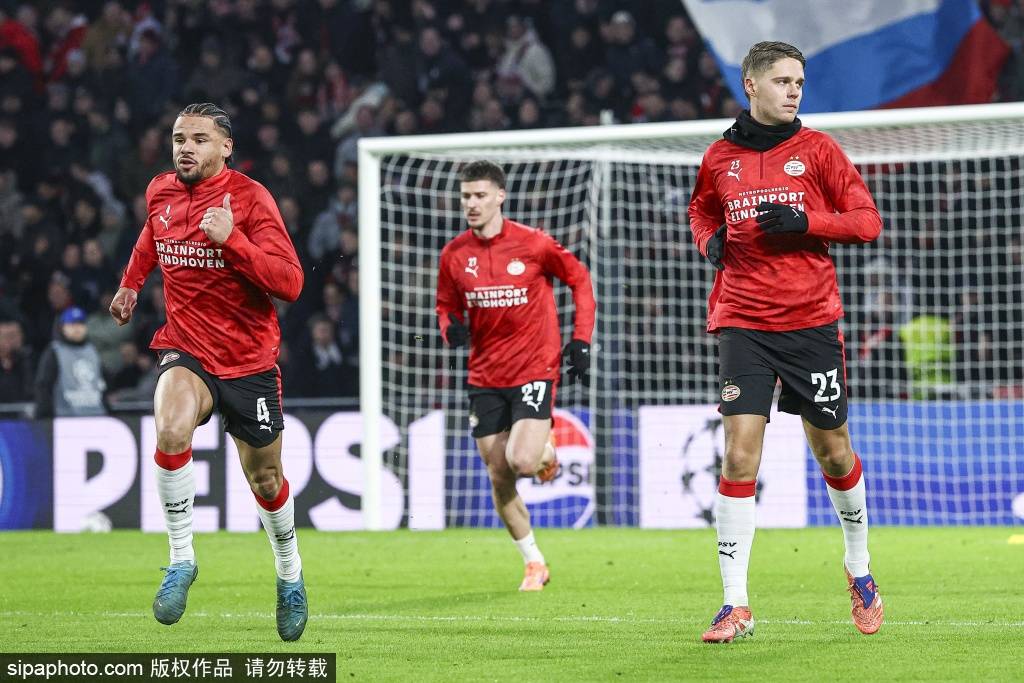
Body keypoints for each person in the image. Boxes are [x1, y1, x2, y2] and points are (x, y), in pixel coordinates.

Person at [688, 42, 884, 642]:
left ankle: (859, 570)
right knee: (738, 456)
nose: (794, 90)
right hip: (743, 321)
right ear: (751, 85)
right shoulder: (719, 157)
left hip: (810, 324)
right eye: (782, 81)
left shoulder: (819, 150)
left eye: (799, 81)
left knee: (834, 453)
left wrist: (808, 222)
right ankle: (735, 604)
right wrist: (709, 240)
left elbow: (867, 221)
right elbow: (701, 210)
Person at [109, 103, 307, 641]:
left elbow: (290, 283)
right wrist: (131, 283)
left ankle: (289, 573)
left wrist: (233, 241)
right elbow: (151, 236)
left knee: (265, 479)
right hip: (187, 346)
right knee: (170, 428)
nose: (185, 148)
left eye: (199, 139)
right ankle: (181, 559)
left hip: (249, 361)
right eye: (179, 138)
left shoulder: (251, 199)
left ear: (226, 147)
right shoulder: (160, 190)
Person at [436, 160, 595, 592]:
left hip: (534, 368)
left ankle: (546, 451)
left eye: (480, 195)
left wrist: (581, 340)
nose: (472, 203)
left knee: (521, 461)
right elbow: (446, 305)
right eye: (466, 196)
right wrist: (451, 328)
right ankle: (534, 562)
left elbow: (580, 279)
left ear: (500, 196)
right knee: (499, 474)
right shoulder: (454, 255)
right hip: (484, 375)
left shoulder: (534, 244)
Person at [34, 306, 106, 418]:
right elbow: (44, 386)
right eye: (72, 324)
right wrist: (45, 416)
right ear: (62, 327)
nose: (77, 328)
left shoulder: (93, 351)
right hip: (65, 417)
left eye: (80, 324)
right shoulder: (54, 352)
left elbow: (103, 384)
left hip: (96, 415)